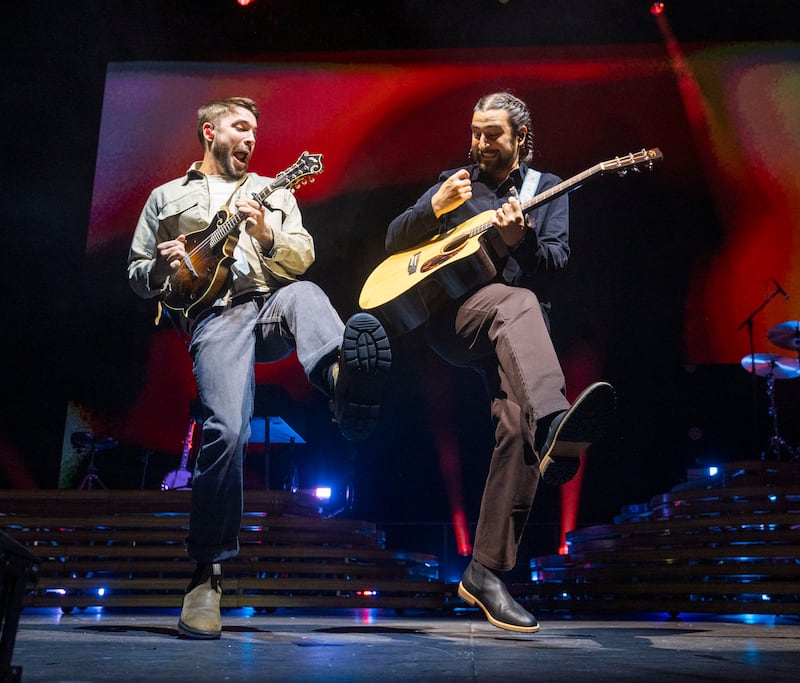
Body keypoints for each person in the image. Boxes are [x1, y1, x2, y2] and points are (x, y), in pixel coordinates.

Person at [127, 96, 391, 639]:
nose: (250, 139)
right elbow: (137, 272)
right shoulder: (165, 197)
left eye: (255, 132)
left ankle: (343, 383)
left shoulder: (273, 190)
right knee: (226, 430)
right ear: (209, 131)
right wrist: (159, 266)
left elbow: (302, 254)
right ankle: (207, 575)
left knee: (309, 294)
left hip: (265, 304)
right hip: (213, 319)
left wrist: (267, 234)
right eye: (239, 128)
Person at [384, 91, 616, 633]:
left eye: (492, 135)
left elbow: (556, 264)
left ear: (520, 140)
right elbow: (395, 241)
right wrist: (431, 209)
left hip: (517, 336)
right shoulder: (454, 181)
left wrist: (522, 240)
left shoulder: (548, 190)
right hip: (458, 320)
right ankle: (556, 421)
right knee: (519, 302)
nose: (480, 143)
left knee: (516, 427)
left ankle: (485, 572)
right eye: (475, 132)